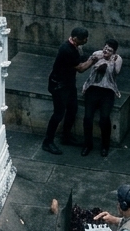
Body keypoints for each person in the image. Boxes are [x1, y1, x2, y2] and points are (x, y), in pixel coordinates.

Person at [42, 26, 97, 154]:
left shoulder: (75, 46)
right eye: (84, 39)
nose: (86, 40)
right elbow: (81, 68)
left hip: (68, 84)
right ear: (75, 38)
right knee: (58, 114)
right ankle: (48, 142)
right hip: (59, 86)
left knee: (72, 109)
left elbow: (80, 59)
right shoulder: (67, 50)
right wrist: (93, 60)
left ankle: (66, 136)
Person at [80, 39, 122, 157]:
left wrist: (110, 62)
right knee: (88, 118)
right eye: (105, 48)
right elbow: (87, 66)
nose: (106, 51)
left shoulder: (117, 59)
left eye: (110, 50)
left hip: (107, 91)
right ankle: (87, 145)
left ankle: (105, 146)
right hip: (93, 88)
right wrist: (95, 59)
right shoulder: (96, 54)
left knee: (104, 118)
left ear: (114, 52)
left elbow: (116, 72)